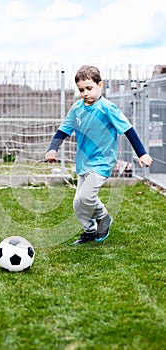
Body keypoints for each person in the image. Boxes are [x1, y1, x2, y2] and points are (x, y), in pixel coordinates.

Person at [45, 65, 153, 245]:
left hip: (102, 162)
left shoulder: (108, 108)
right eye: (81, 90)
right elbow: (63, 130)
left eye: (89, 88)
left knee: (86, 197)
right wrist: (52, 148)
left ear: (100, 85)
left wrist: (141, 154)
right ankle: (89, 231)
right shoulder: (77, 108)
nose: (85, 93)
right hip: (82, 162)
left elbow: (128, 130)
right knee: (78, 204)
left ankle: (103, 217)